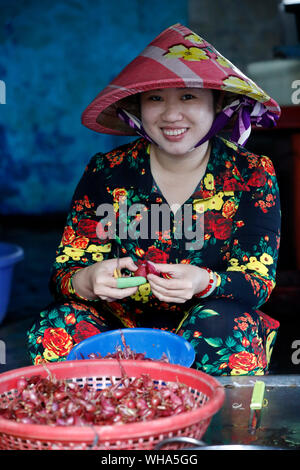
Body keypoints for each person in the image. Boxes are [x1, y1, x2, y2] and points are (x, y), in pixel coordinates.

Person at [27, 24, 281, 375]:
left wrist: (203, 281)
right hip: (119, 327)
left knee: (226, 324)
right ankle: (104, 426)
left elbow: (258, 281)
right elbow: (62, 275)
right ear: (138, 108)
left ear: (217, 103)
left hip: (208, 327)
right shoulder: (107, 171)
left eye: (188, 97)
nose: (171, 115)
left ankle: (206, 427)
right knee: (57, 323)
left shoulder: (251, 172)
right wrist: (86, 279)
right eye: (155, 98)